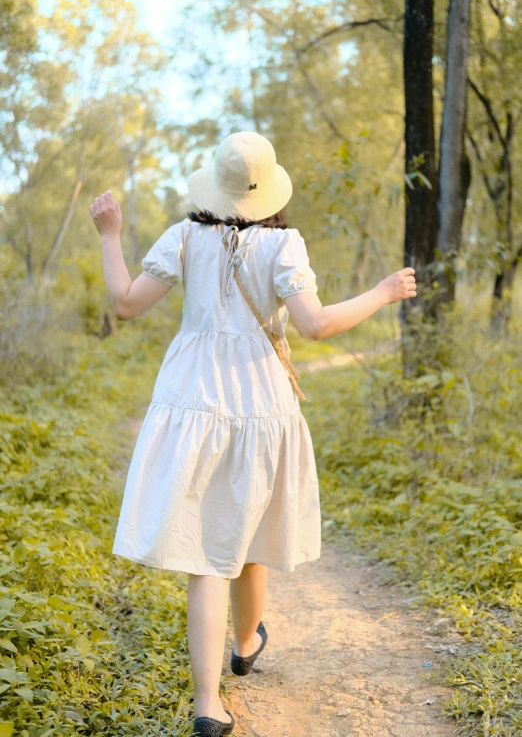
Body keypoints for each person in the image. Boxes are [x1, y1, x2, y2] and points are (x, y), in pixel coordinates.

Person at [89, 131, 416, 737]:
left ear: (216, 185)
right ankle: (246, 643)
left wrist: (111, 234)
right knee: (252, 530)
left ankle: (209, 706)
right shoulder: (284, 244)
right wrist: (382, 291)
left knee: (207, 556)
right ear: (267, 190)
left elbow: (126, 304)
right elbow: (315, 326)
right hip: (261, 399)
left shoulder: (185, 236)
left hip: (194, 397)